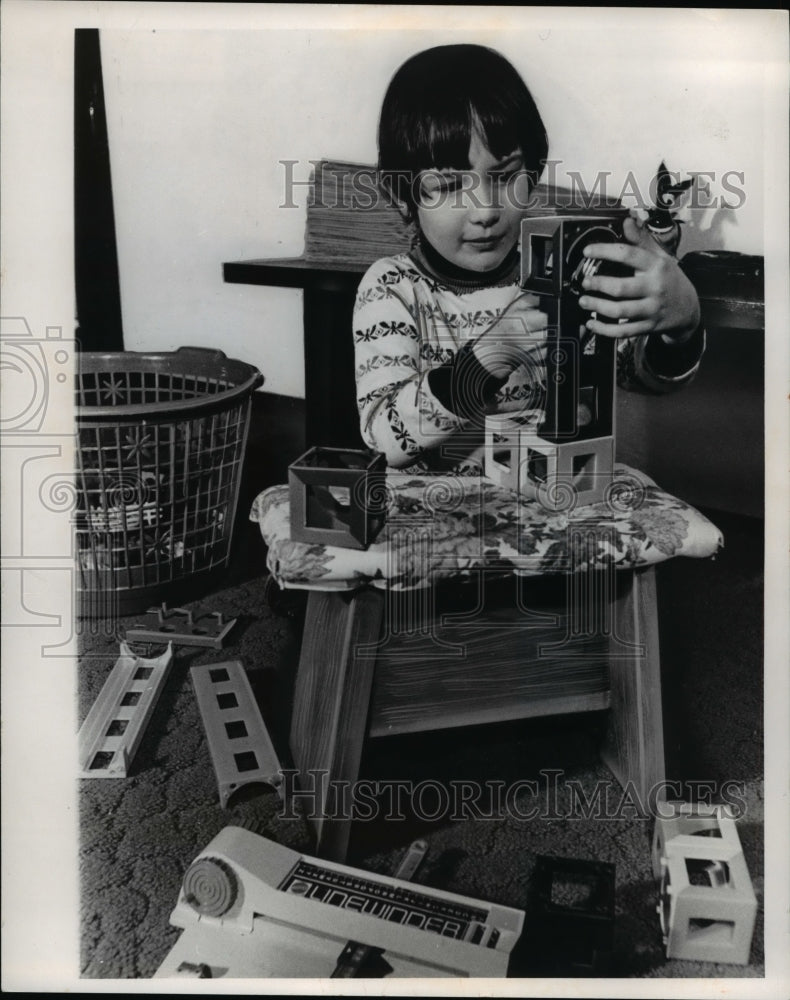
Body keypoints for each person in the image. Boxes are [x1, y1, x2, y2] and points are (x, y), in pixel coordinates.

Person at [353, 44, 705, 474]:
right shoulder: (393, 287)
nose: (484, 211)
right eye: (447, 186)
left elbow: (636, 375)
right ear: (403, 197)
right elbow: (383, 439)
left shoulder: (560, 271)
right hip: (437, 512)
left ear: (533, 174)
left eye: (504, 177)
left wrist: (683, 324)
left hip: (548, 501)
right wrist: (483, 361)